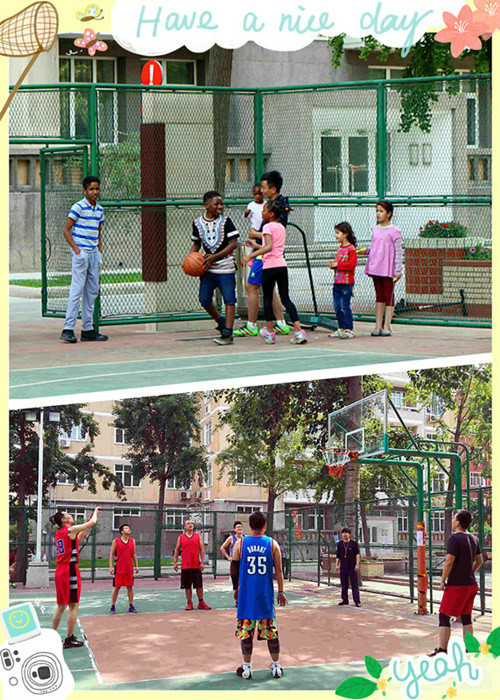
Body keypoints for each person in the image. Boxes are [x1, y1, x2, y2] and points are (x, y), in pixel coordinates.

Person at [241, 199, 307, 345]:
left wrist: (250, 255)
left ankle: (270, 332)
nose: (262, 212)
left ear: (271, 214)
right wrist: (255, 245)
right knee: (285, 298)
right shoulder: (281, 227)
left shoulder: (267, 226)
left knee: (267, 299)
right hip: (281, 266)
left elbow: (269, 247)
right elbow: (272, 247)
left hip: (269, 267)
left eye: (264, 210)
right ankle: (298, 331)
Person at [231, 510, 287, 680]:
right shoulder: (272, 544)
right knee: (271, 632)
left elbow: (234, 568)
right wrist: (281, 591)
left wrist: (235, 589)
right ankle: (276, 665)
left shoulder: (240, 543)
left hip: (246, 597)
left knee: (246, 633)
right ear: (265, 526)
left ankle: (247, 667)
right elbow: (278, 571)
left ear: (249, 525)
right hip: (265, 597)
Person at [234, 171, 290, 337]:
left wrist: (255, 236)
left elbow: (276, 233)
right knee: (270, 288)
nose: (262, 191)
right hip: (267, 254)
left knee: (251, 286)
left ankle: (252, 325)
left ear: (273, 189)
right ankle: (281, 323)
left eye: (264, 187)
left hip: (265, 255)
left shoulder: (276, 207)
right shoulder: (275, 204)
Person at [60, 175, 108, 343]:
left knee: (92, 291)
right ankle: (68, 328)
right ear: (85, 191)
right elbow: (66, 230)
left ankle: (88, 330)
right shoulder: (78, 207)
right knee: (77, 289)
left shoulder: (100, 210)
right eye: (91, 189)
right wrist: (77, 250)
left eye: (97, 189)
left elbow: (99, 231)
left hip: (94, 253)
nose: (95, 192)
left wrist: (99, 250)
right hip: (82, 253)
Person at [429, 510, 483, 656]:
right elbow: (479, 561)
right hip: (471, 585)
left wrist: (442, 580)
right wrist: (471, 572)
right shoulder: (474, 538)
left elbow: (449, 562)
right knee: (466, 616)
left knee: (443, 616)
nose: (452, 520)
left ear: (458, 522)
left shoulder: (454, 538)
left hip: (457, 586)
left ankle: (442, 650)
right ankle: (470, 649)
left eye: (454, 518)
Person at [190, 191, 239, 346]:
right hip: (208, 268)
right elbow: (197, 244)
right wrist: (190, 258)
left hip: (226, 266)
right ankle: (221, 321)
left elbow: (233, 243)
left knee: (229, 300)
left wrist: (215, 256)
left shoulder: (226, 222)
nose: (220, 206)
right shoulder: (197, 223)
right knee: (204, 299)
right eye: (216, 204)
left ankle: (228, 333)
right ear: (207, 205)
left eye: (221, 204)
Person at [50, 507, 99, 648]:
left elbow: (79, 538)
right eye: (69, 515)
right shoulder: (69, 530)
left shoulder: (60, 533)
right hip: (69, 570)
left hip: (61, 570)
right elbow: (94, 522)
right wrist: (95, 512)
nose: (72, 517)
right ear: (64, 520)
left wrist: (86, 524)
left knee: (61, 605)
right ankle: (69, 638)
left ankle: (52, 637)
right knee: (73, 604)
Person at [362, 200, 402, 337]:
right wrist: (365, 250)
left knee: (388, 296)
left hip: (388, 269)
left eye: (381, 211)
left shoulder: (395, 231)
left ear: (389, 213)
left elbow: (398, 252)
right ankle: (377, 326)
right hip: (376, 267)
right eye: (377, 211)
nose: (378, 214)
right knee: (379, 297)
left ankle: (387, 326)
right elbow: (375, 248)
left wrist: (398, 271)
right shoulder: (375, 229)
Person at [327, 222, 358, 339]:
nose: (336, 235)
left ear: (345, 234)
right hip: (337, 282)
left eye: (338, 233)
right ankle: (341, 327)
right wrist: (334, 266)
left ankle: (349, 328)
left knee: (345, 306)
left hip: (347, 283)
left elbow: (351, 265)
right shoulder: (339, 248)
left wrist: (338, 265)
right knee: (337, 306)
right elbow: (340, 263)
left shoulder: (351, 249)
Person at [173, 519, 211, 610]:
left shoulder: (198, 536)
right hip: (185, 566)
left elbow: (202, 550)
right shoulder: (181, 537)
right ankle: (189, 603)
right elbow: (177, 550)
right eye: (188, 524)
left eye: (191, 524)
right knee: (187, 586)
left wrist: (202, 562)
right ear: (185, 527)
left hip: (196, 565)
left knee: (199, 585)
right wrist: (175, 562)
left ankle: (201, 602)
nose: (190, 525)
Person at [109, 524, 139, 614]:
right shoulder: (116, 541)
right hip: (119, 569)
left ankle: (131, 605)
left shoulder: (132, 541)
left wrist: (136, 565)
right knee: (116, 588)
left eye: (129, 528)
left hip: (129, 568)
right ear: (122, 531)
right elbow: (111, 554)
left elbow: (134, 554)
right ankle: (113, 606)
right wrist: (111, 567)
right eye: (126, 528)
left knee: (130, 588)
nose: (128, 529)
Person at [335, 527, 361, 607]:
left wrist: (357, 564)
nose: (344, 534)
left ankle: (357, 601)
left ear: (349, 534)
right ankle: (345, 600)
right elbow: (338, 556)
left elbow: (357, 555)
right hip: (343, 567)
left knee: (354, 584)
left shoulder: (353, 544)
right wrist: (337, 565)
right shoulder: (340, 544)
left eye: (346, 533)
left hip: (352, 567)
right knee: (344, 584)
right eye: (343, 533)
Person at [220, 520, 245, 604]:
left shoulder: (246, 538)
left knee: (244, 583)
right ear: (234, 529)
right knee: (235, 583)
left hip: (244, 563)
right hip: (235, 563)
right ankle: (237, 601)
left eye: (241, 527)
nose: (239, 528)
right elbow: (222, 547)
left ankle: (243, 600)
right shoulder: (231, 538)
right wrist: (227, 557)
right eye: (238, 527)